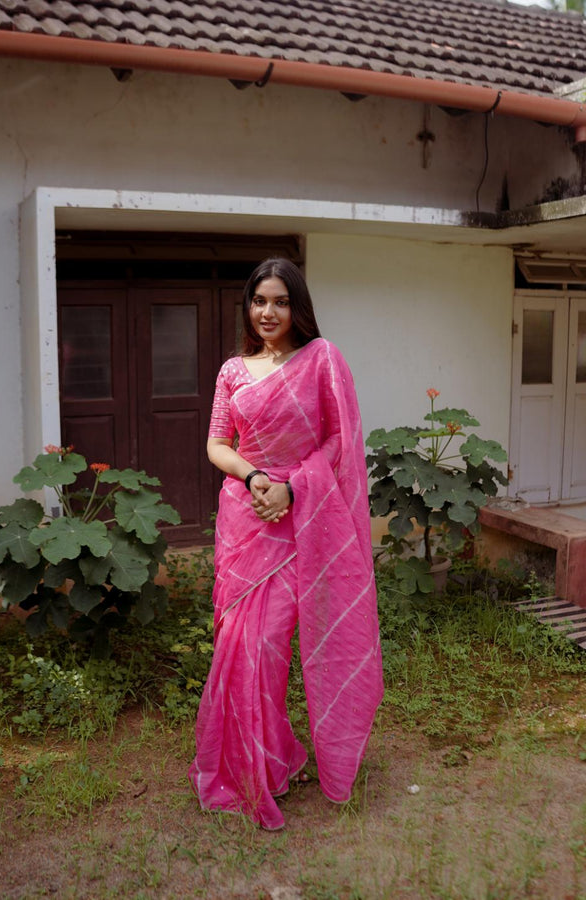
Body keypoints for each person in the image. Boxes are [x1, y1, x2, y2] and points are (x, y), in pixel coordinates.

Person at [188, 257, 383, 830]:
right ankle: (262, 763)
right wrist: (255, 480)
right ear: (248, 306)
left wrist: (293, 489)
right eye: (258, 301)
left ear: (297, 306)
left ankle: (279, 756)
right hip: (247, 519)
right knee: (241, 648)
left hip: (303, 524)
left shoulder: (322, 361)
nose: (267, 312)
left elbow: (339, 442)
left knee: (270, 644)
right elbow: (217, 444)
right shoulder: (232, 371)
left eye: (278, 301)